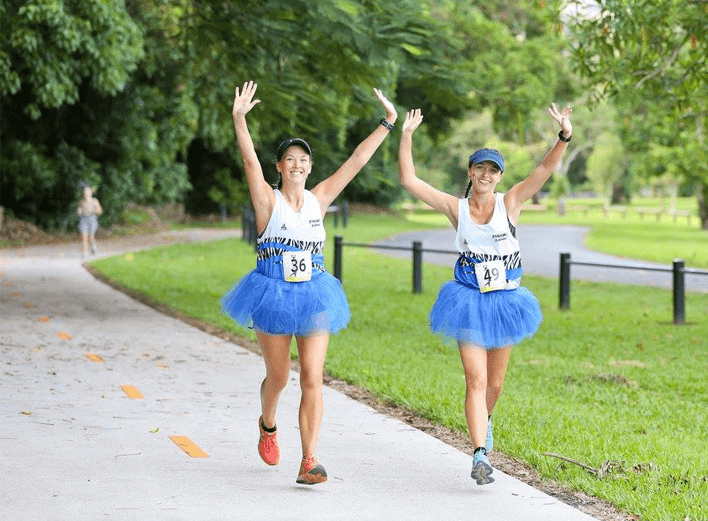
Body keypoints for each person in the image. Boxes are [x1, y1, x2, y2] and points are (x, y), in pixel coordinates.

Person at [223, 80, 397, 484]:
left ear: (309, 167)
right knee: (280, 376)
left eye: (303, 158)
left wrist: (387, 123)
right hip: (272, 291)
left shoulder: (320, 198)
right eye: (290, 158)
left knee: (313, 377)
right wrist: (239, 120)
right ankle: (267, 423)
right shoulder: (269, 201)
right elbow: (249, 162)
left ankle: (309, 460)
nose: (297, 164)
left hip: (315, 291)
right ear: (280, 167)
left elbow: (356, 161)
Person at [398, 104, 573, 485]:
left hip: (507, 301)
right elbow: (410, 180)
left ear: (499, 177)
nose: (487, 175)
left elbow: (543, 171)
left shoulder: (510, 203)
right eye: (481, 168)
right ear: (471, 173)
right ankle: (479, 454)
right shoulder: (455, 208)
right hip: (468, 301)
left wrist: (563, 136)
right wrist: (407, 135)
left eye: (494, 170)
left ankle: (486, 421)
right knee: (475, 381)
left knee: (494, 385)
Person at [76, 184, 103, 257]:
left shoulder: (95, 201)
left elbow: (100, 211)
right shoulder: (81, 202)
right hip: (83, 220)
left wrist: (93, 211)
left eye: (87, 192)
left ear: (91, 192)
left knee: (90, 237)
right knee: (84, 237)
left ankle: (94, 245)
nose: (86, 193)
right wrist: (79, 211)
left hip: (92, 219)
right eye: (85, 192)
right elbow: (79, 210)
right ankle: (85, 252)